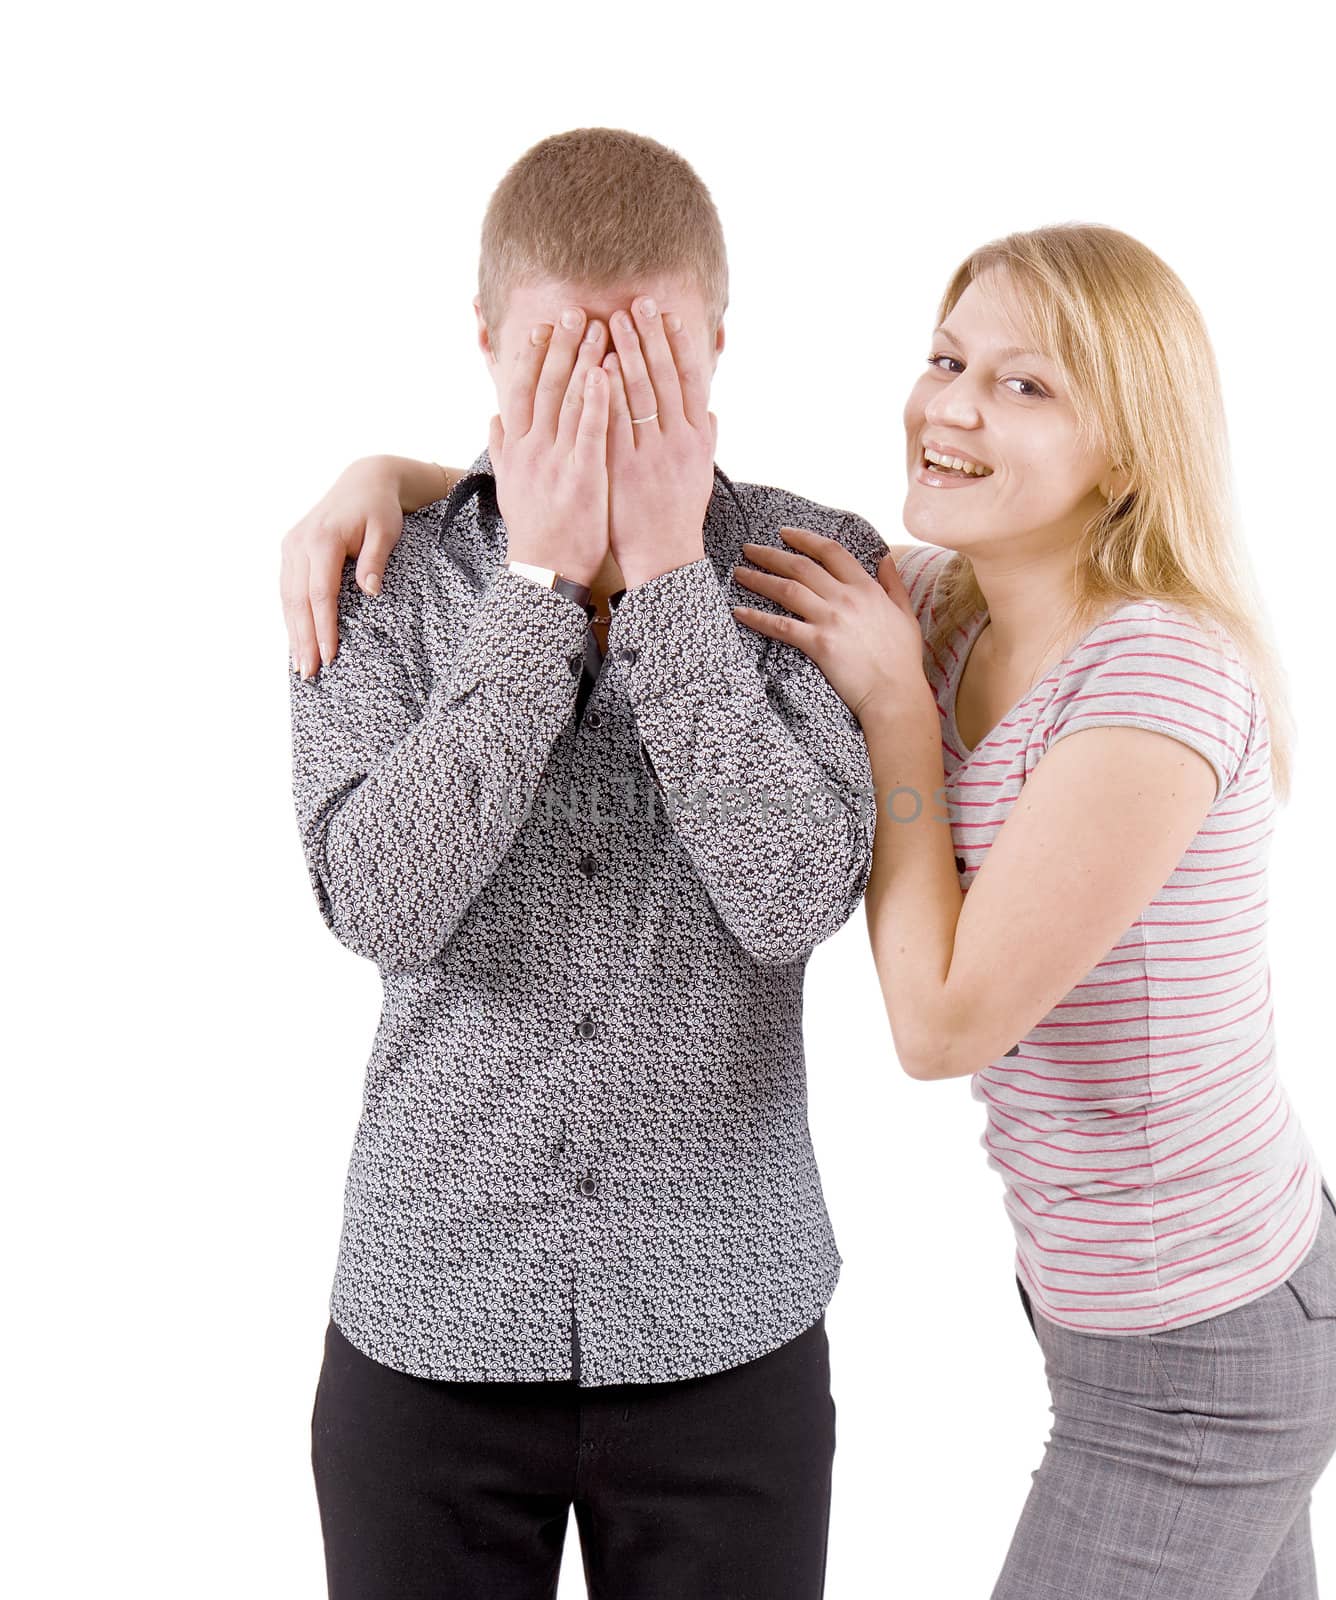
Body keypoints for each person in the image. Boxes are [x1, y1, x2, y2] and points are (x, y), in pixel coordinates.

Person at [299, 222, 1336, 1599]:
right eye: (947, 357)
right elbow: (639, 521)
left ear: (1133, 446)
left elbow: (940, 1022)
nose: (955, 405)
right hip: (1106, 1311)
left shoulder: (1150, 684)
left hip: (1208, 1343)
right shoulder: (938, 600)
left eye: (1027, 385)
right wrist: (403, 479)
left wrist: (896, 716)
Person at [284, 127, 889, 1600]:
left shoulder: (816, 569)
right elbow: (379, 902)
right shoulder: (379, 570)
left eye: (649, 360)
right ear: (487, 347)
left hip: (726, 1330)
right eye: (560, 362)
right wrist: (537, 586)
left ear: (722, 347)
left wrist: (674, 584)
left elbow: (793, 897)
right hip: (430, 1320)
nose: (605, 401)